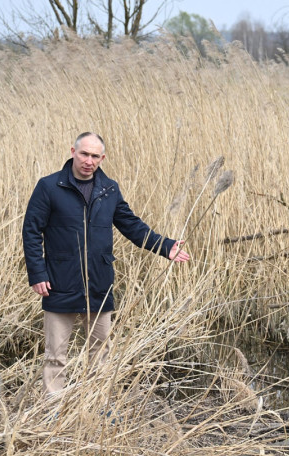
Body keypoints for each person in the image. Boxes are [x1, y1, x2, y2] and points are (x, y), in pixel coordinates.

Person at [22, 132, 190, 396]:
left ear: (103, 158)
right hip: (59, 280)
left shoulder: (109, 189)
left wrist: (165, 246)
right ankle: (51, 408)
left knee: (100, 353)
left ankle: (95, 406)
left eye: (95, 156)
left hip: (99, 282)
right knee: (56, 355)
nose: (89, 161)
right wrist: (37, 273)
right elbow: (31, 231)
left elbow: (131, 225)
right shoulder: (49, 186)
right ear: (73, 152)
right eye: (84, 154)